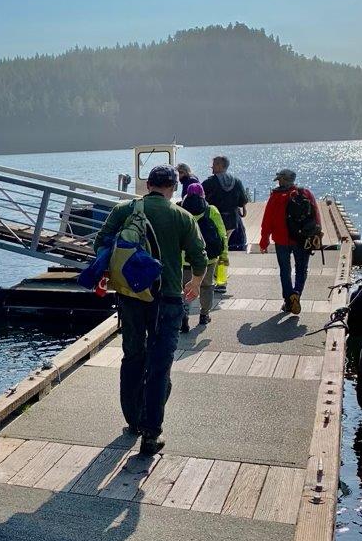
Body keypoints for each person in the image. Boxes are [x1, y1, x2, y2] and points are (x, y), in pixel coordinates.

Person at [94, 164, 208, 455]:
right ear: (172, 188)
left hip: (131, 296)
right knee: (160, 365)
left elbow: (99, 243)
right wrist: (195, 282)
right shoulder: (181, 216)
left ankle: (133, 421)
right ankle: (150, 433)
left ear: (148, 186)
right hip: (167, 298)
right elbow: (199, 255)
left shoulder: (124, 210)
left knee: (133, 355)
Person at [259, 168, 321, 315]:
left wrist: (264, 240)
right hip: (301, 239)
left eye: (279, 179)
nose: (278, 181)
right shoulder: (305, 193)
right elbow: (316, 215)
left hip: (281, 240)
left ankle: (288, 301)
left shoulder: (275, 197)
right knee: (301, 269)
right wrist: (317, 235)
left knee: (285, 271)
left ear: (283, 180)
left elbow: (267, 220)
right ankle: (297, 294)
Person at [178, 182, 227, 330]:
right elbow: (221, 233)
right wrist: (224, 254)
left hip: (185, 257)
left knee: (185, 287)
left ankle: (184, 314)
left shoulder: (179, 209)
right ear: (202, 194)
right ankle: (204, 314)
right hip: (208, 257)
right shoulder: (211, 210)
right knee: (207, 286)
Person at [203, 155, 250, 293]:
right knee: (223, 250)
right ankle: (221, 281)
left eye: (213, 164)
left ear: (219, 165)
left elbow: (200, 199)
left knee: (211, 250)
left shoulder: (209, 183)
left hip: (213, 221)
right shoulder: (236, 181)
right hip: (231, 221)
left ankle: (211, 279)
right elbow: (242, 201)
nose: (211, 167)